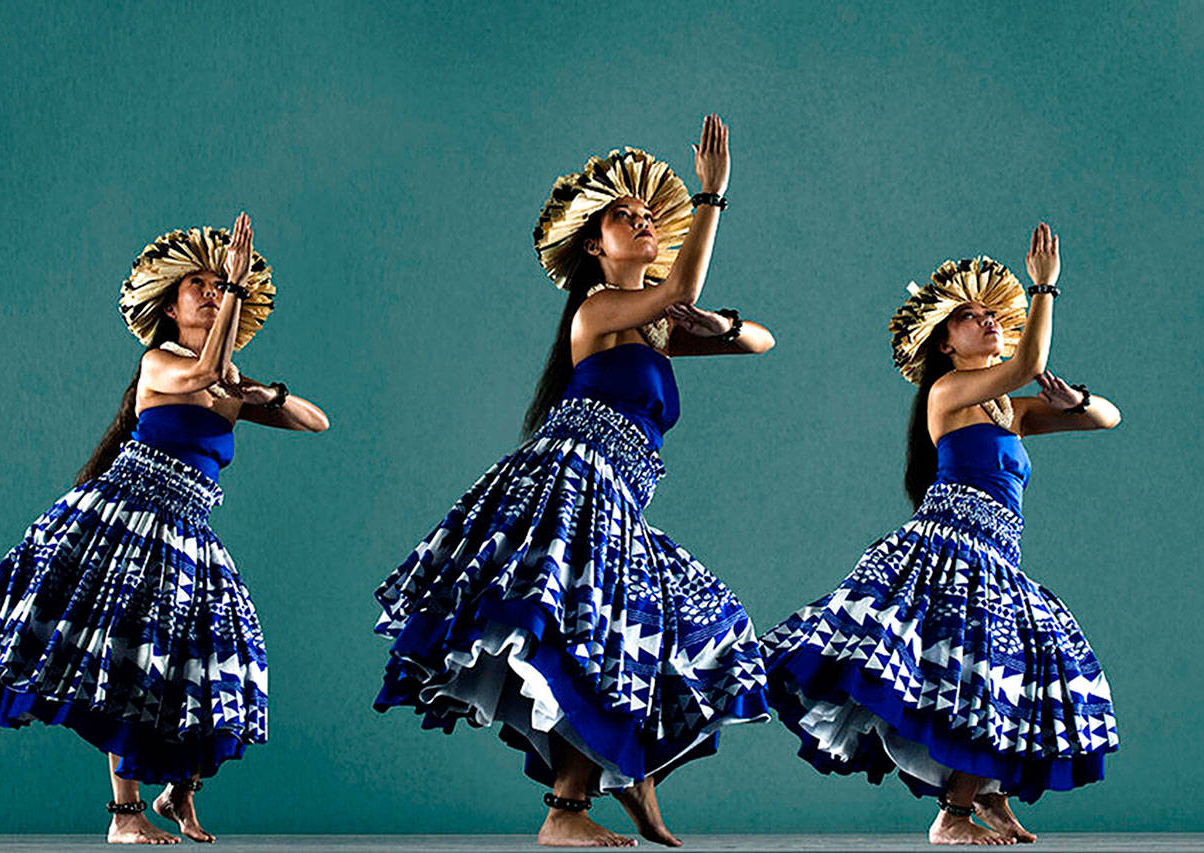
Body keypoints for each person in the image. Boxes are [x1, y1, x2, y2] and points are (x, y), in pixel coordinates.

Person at [374, 116, 773, 848]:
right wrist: (710, 196)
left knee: (661, 629)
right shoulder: (597, 309)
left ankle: (625, 777)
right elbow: (681, 280)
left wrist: (712, 321)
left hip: (619, 495)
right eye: (627, 215)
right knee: (588, 631)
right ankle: (568, 806)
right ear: (596, 244)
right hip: (575, 482)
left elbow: (757, 339)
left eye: (652, 214)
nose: (645, 221)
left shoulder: (655, 324)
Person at [0, 213, 330, 845]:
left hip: (186, 532)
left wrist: (261, 394)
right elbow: (199, 375)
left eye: (221, 288)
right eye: (203, 287)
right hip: (127, 523)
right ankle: (125, 815)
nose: (216, 294)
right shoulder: (161, 363)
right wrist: (239, 295)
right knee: (127, 656)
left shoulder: (224, 383)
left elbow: (315, 421)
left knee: (198, 661)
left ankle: (178, 794)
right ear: (169, 308)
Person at [760, 224, 1120, 845]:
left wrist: (1074, 396)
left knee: (1010, 670)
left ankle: (992, 797)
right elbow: (1028, 361)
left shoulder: (1010, 410)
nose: (987, 322)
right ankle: (952, 815)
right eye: (970, 317)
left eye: (991, 315)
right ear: (945, 343)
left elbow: (1106, 419)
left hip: (997, 553)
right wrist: (1044, 287)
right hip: (951, 549)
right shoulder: (948, 391)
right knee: (976, 670)